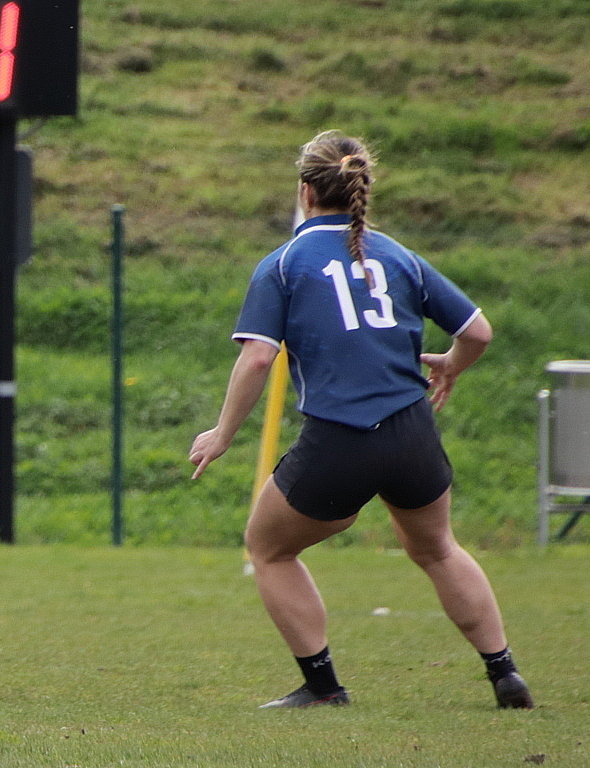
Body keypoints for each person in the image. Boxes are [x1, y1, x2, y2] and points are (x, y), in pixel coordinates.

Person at [188, 130, 533, 710]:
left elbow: (257, 355)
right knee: (439, 549)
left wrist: (223, 434)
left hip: (340, 439)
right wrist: (450, 366)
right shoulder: (398, 255)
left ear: (304, 191)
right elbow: (477, 332)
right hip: (411, 432)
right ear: (359, 190)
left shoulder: (287, 262)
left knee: (268, 548)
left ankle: (323, 688)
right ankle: (505, 674)